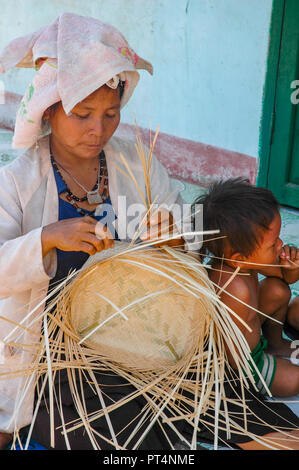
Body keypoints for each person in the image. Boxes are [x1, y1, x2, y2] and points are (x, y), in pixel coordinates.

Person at [0, 13, 186, 450]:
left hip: (130, 342)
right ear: (49, 109)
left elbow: (188, 243)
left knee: (179, 416)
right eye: (82, 113)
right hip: (46, 358)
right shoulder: (17, 182)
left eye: (110, 113)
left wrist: (174, 237)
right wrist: (45, 238)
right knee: (117, 435)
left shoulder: (135, 161)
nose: (97, 129)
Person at [191, 177, 299, 450]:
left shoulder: (244, 260)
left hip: (253, 340)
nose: (280, 245)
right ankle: (268, 364)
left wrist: (291, 264)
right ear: (240, 257)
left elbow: (287, 279)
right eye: (272, 244)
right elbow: (229, 355)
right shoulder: (234, 289)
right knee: (295, 380)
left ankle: (276, 345)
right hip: (245, 365)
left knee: (277, 290)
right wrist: (250, 389)